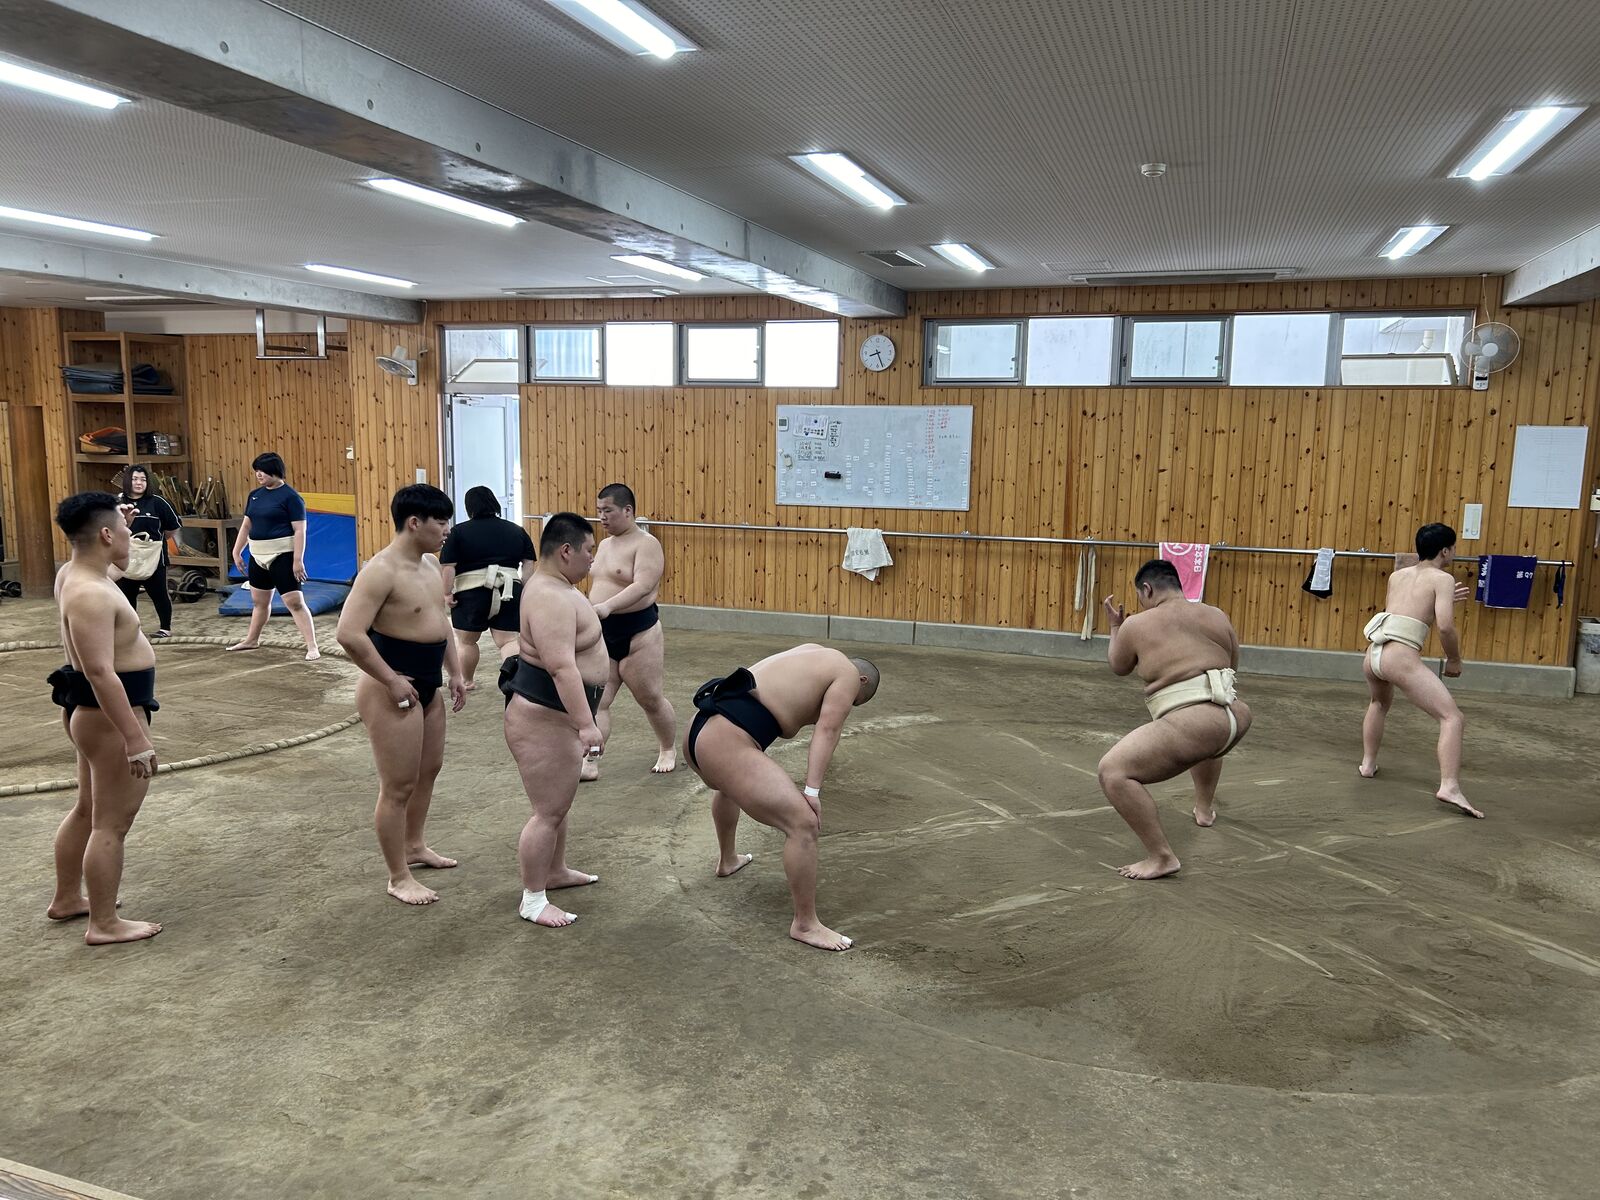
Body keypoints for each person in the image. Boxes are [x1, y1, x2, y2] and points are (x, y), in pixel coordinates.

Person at [684, 644, 879, 952]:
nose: (848, 705)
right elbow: (828, 730)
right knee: (804, 824)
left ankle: (728, 860)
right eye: (854, 701)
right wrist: (812, 792)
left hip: (701, 728)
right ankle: (806, 924)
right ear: (862, 681)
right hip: (724, 740)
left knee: (730, 785)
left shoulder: (814, 653)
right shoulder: (848, 675)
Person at [336, 484, 467, 905]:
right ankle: (398, 877)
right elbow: (348, 633)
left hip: (428, 684)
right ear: (414, 523)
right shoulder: (380, 570)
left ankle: (414, 846)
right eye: (441, 522)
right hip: (390, 689)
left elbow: (440, 622)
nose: (447, 530)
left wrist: (456, 672)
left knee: (428, 771)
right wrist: (391, 679)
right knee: (398, 786)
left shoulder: (429, 564)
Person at [46, 492, 162, 944]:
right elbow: (99, 672)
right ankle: (104, 923)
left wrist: (118, 530)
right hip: (109, 715)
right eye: (125, 527)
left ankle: (67, 899)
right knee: (111, 823)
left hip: (92, 711)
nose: (131, 531)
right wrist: (135, 738)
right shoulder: (90, 594)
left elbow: (115, 569)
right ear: (106, 535)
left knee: (88, 809)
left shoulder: (76, 575)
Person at [1098, 559, 1252, 880]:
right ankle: (1204, 810)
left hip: (1194, 722)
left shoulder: (1136, 624)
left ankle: (1161, 857)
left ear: (1147, 589)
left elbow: (1119, 666)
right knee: (1205, 742)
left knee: (1112, 771)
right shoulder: (1217, 614)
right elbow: (1232, 665)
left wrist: (1115, 628)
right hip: (1235, 715)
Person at [500, 512, 608, 928]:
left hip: (554, 714)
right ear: (566, 551)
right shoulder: (549, 596)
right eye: (588, 551)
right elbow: (561, 668)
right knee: (547, 812)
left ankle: (555, 871)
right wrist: (586, 724)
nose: (592, 559)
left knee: (558, 804)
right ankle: (533, 898)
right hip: (543, 717)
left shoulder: (557, 588)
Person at [1359, 523, 1481, 817]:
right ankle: (1449, 786)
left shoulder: (1398, 575)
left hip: (1374, 653)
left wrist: (1443, 598)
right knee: (1452, 718)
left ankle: (1368, 764)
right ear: (1445, 551)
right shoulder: (1443, 579)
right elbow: (1446, 627)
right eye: (1454, 548)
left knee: (1378, 703)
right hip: (1400, 657)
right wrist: (1454, 659)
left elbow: (1405, 610)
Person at [583, 483, 677, 779]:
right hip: (602, 633)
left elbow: (643, 585)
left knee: (650, 698)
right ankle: (590, 760)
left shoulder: (646, 544)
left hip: (639, 632)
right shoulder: (603, 545)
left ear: (627, 510)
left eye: (608, 510)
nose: (602, 517)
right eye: (599, 511)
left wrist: (607, 606)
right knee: (598, 701)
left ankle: (668, 748)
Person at [438, 486, 536, 690]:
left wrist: (446, 593)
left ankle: (467, 681)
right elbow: (528, 563)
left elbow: (448, 566)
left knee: (467, 641)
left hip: (471, 592)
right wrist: (525, 589)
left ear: (469, 507)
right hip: (509, 590)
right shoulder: (516, 530)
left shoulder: (458, 532)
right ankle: (516, 682)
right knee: (508, 641)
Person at [228, 452, 320, 659]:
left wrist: (298, 560)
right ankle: (252, 639)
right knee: (259, 602)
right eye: (256, 471)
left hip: (282, 555)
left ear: (275, 471)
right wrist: (236, 550)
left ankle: (312, 646)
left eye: (262, 471)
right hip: (257, 555)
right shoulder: (254, 495)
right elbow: (247, 525)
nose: (258, 475)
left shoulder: (291, 497)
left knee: (294, 602)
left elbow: (300, 530)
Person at [115, 464, 181, 639]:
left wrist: (154, 543)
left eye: (143, 480)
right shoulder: (118, 502)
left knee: (159, 593)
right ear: (127, 481)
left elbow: (172, 528)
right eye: (135, 479)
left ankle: (165, 628)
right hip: (126, 556)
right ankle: (131, 630)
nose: (139, 483)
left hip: (154, 556)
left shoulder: (158, 502)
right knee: (127, 595)